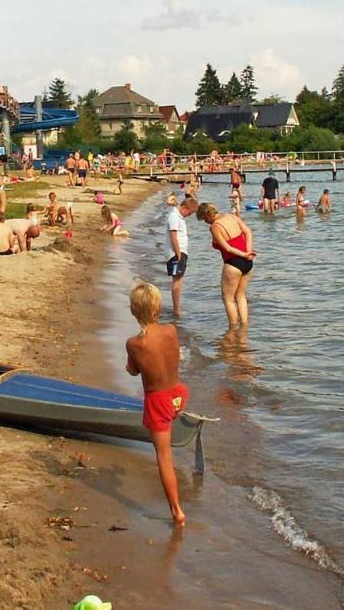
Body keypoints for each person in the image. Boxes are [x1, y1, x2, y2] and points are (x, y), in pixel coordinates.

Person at [124, 282, 188, 527]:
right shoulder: (171, 330)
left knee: (164, 456)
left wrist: (131, 367)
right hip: (178, 394)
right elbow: (172, 355)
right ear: (159, 307)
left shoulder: (134, 344)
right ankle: (178, 415)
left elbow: (132, 371)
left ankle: (176, 511)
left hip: (158, 401)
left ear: (133, 311)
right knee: (170, 416)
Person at [196, 202, 255, 331]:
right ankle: (244, 328)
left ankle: (233, 330)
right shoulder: (231, 216)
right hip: (248, 262)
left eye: (204, 220)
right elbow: (248, 232)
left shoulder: (215, 226)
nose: (206, 223)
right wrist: (248, 251)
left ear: (207, 216)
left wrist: (244, 254)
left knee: (228, 298)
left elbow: (227, 247)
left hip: (234, 263)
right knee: (241, 295)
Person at [165, 197, 198, 317]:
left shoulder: (179, 217)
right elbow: (173, 236)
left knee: (179, 280)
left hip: (180, 252)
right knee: (177, 281)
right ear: (185, 208)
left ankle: (177, 307)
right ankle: (176, 309)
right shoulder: (174, 217)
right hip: (176, 253)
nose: (189, 215)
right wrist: (178, 253)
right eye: (189, 213)